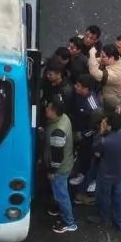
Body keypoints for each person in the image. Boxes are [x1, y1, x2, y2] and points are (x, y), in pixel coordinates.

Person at [88, 112, 121, 230]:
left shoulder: (104, 141)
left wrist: (101, 132)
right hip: (120, 170)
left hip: (106, 174)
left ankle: (102, 216)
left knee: (103, 196)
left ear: (110, 126)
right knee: (119, 197)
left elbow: (95, 148)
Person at [45, 99, 77, 233]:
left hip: (60, 169)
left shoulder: (58, 131)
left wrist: (52, 171)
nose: (46, 109)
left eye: (48, 108)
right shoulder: (64, 118)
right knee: (62, 192)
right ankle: (62, 212)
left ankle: (69, 222)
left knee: (61, 195)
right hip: (68, 162)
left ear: (54, 112)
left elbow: (57, 156)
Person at [88, 42, 121, 108]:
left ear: (112, 58)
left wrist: (92, 54)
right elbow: (92, 62)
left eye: (103, 56)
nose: (101, 58)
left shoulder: (116, 73)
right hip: (102, 91)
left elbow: (94, 73)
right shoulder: (114, 59)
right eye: (101, 55)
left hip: (110, 101)